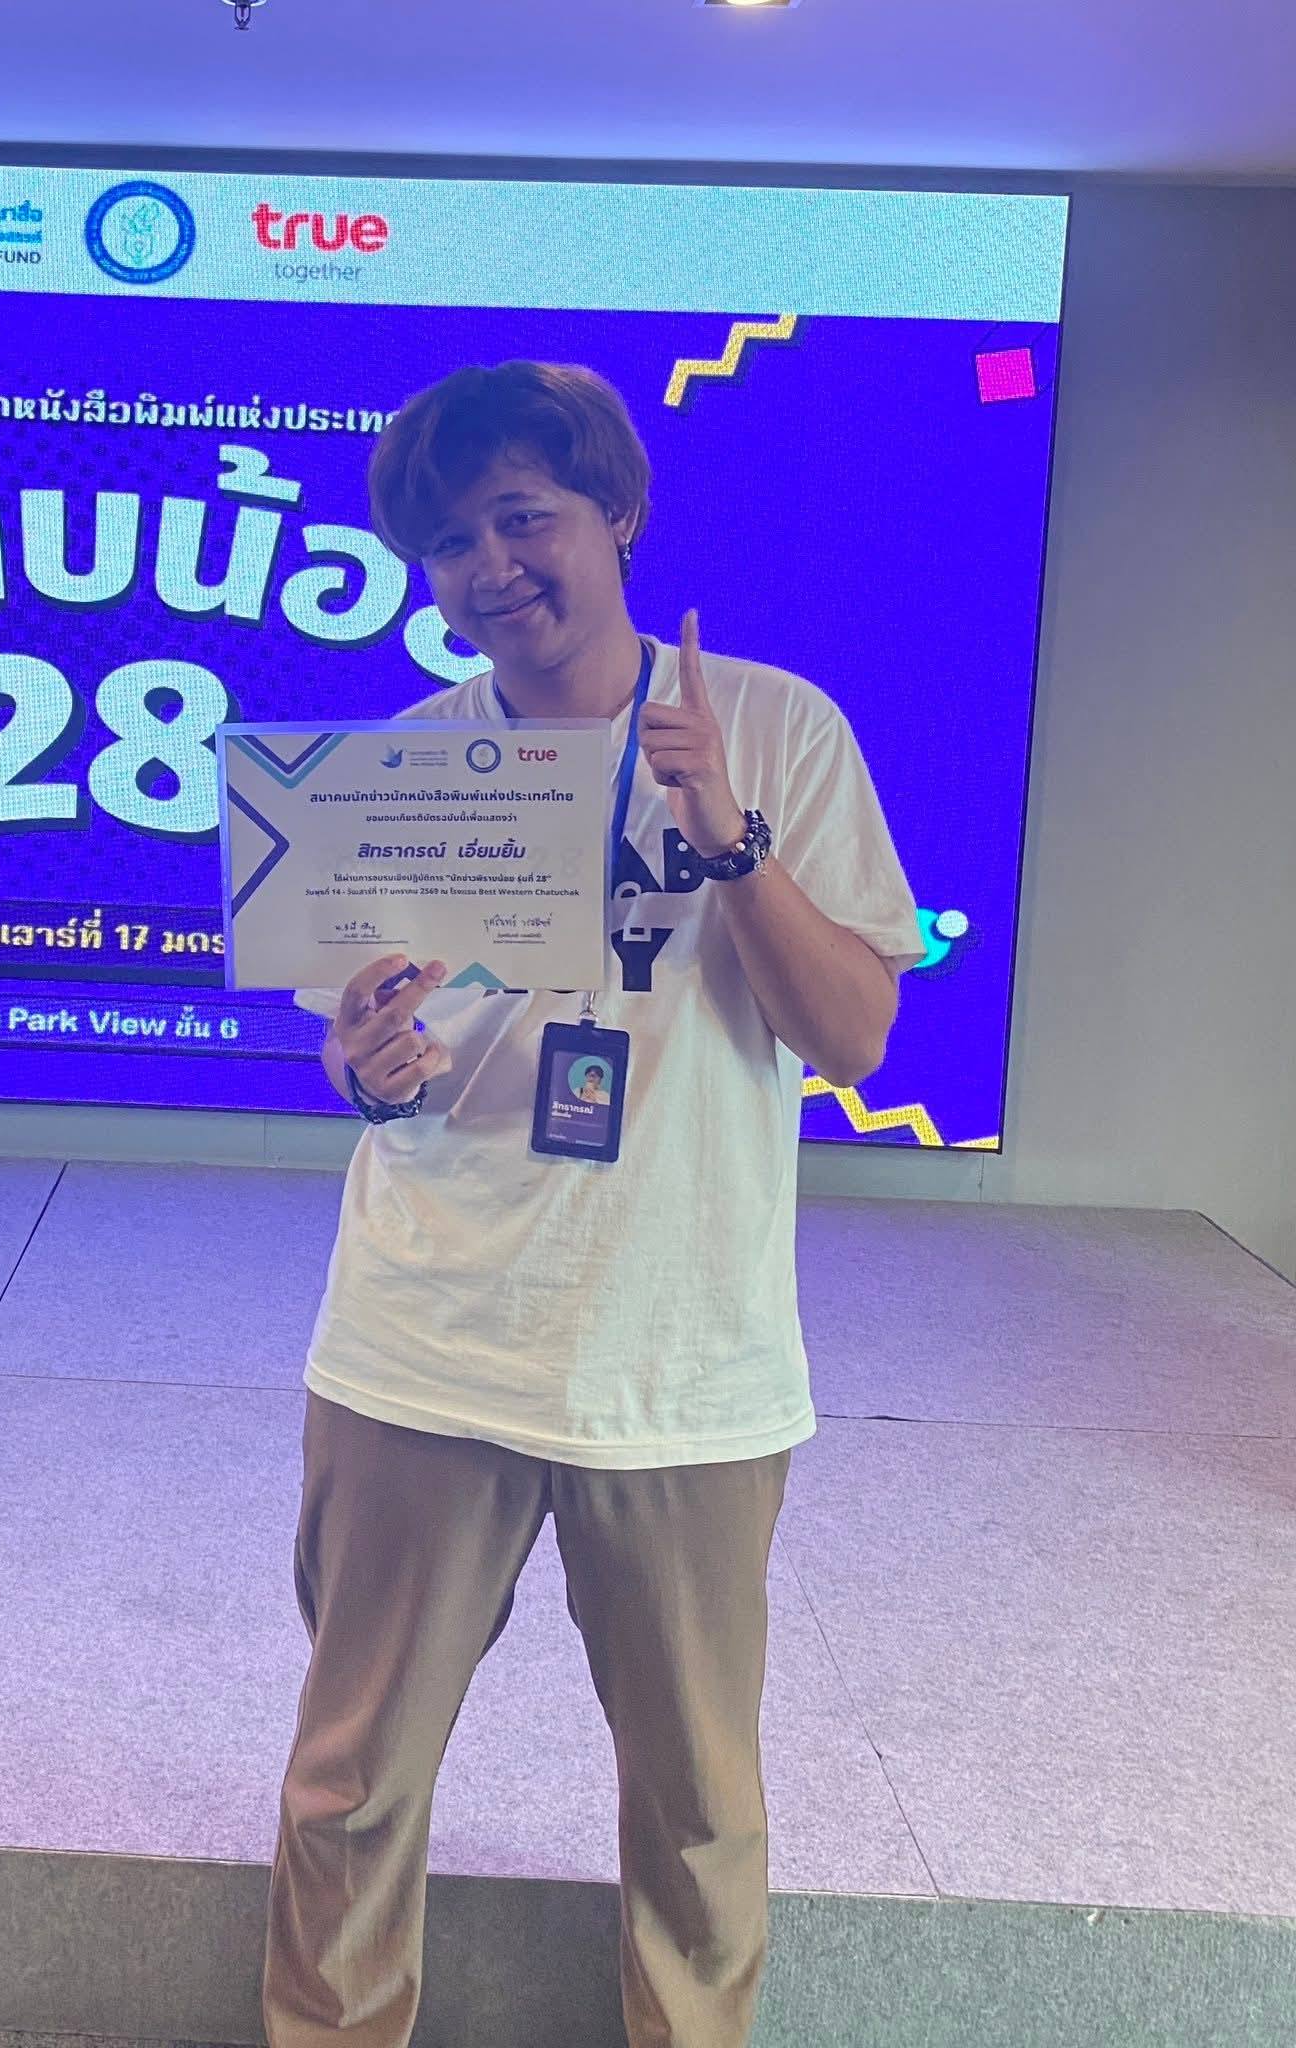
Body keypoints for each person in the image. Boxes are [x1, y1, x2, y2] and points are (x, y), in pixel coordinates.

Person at [262, 361, 924, 2048]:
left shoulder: (776, 731)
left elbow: (853, 1037)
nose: (491, 567)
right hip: (426, 1342)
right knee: (350, 1789)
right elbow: (367, 1054)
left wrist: (727, 837)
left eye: (523, 518)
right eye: (450, 542)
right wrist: (366, 1065)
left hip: (683, 1364)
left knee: (699, 1812)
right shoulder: (401, 772)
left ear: (616, 516)